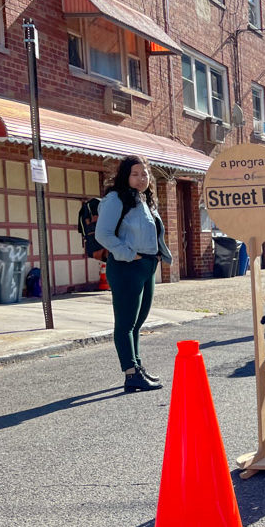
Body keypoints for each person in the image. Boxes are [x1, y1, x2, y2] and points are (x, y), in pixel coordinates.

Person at [95, 155, 173, 393]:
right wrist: (130, 254)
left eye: (145, 174)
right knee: (125, 324)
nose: (141, 178)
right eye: (135, 174)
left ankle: (137, 366)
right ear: (125, 176)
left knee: (138, 323)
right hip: (126, 266)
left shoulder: (145, 201)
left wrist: (157, 255)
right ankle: (130, 374)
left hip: (146, 266)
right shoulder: (115, 199)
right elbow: (103, 234)